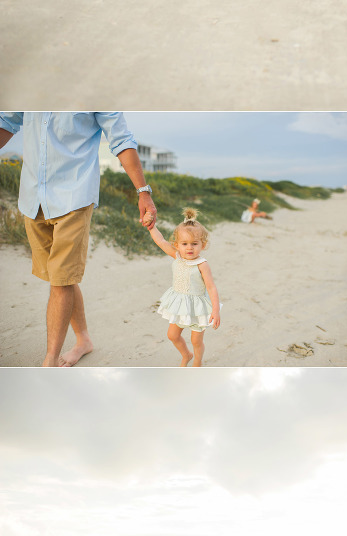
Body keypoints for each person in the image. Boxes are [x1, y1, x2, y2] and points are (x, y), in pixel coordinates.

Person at [0, 111, 156, 367]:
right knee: (60, 277)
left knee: (61, 281)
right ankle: (83, 340)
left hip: (75, 196)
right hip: (33, 197)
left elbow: (121, 140)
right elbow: (6, 122)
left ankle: (49, 361)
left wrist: (143, 193)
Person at [148, 208, 221, 366]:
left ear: (203, 244)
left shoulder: (202, 264)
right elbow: (160, 241)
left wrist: (215, 310)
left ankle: (198, 361)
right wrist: (151, 227)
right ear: (177, 245)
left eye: (194, 244)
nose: (189, 248)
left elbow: (211, 287)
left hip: (198, 308)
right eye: (185, 244)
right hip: (179, 305)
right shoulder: (177, 256)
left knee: (196, 340)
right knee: (172, 335)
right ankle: (186, 355)